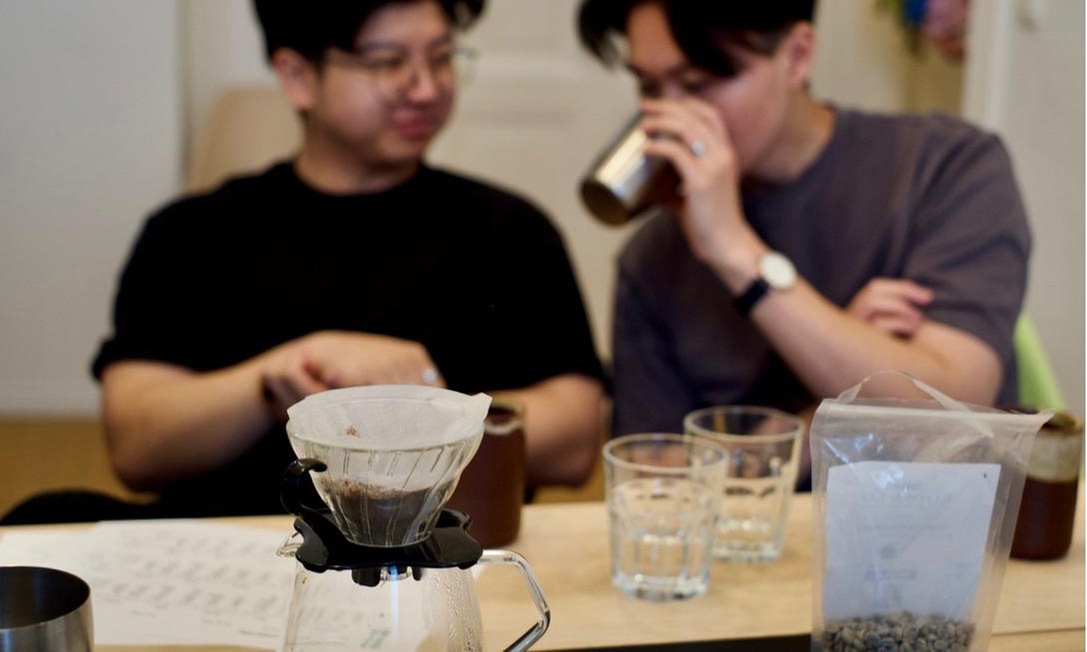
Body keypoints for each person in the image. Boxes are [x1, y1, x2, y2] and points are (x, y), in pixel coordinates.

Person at [4, 0, 604, 524]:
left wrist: (428, 409)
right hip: (230, 541)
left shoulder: (510, 232)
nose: (426, 87)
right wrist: (285, 371)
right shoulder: (191, 233)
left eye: (442, 57)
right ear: (297, 76)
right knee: (42, 520)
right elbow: (137, 445)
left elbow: (576, 437)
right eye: (388, 62)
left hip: (428, 557)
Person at [577, 0, 1030, 482]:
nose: (668, 117)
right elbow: (652, 483)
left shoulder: (946, 169)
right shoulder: (654, 258)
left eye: (698, 84)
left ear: (797, 56)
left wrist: (739, 256)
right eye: (648, 86)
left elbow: (955, 418)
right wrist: (832, 412)